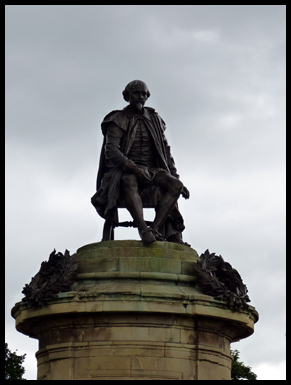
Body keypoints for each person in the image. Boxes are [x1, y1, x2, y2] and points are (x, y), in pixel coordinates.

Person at [91, 80, 190, 245]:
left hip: (154, 170)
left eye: (144, 94)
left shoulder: (155, 119)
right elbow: (112, 151)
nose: (141, 97)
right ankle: (143, 229)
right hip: (125, 171)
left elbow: (166, 152)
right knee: (128, 180)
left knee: (176, 186)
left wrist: (175, 176)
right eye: (137, 93)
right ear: (127, 95)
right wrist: (134, 168)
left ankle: (154, 230)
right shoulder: (118, 119)